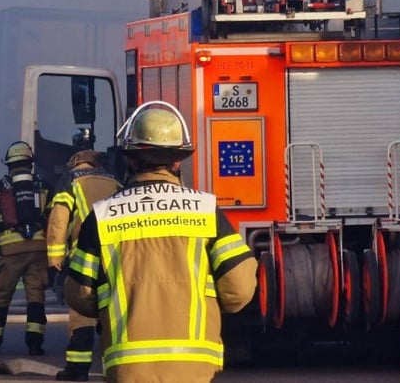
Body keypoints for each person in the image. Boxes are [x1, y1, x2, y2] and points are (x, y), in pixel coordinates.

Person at [65, 101, 257, 383]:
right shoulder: (206, 210)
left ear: (129, 159)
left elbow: (79, 295)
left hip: (127, 366)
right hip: (194, 365)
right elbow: (239, 289)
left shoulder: (102, 215)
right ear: (178, 161)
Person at [46, 149, 122, 381]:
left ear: (76, 163)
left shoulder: (71, 182)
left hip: (84, 254)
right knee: (113, 312)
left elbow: (59, 218)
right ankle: (115, 368)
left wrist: (55, 256)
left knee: (81, 312)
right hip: (115, 256)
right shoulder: (116, 183)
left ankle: (77, 369)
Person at [0, 140, 50, 356]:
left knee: (0, 296)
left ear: (9, 164)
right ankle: (35, 344)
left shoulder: (0, 188)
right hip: (38, 248)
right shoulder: (43, 185)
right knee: (36, 297)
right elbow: (51, 217)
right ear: (30, 163)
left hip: (10, 250)